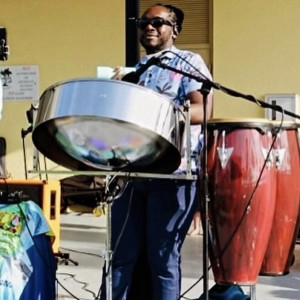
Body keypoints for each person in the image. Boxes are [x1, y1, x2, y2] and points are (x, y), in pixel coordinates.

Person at [100, 3, 213, 300]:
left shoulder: (188, 62)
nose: (149, 26)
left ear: (174, 29)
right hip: (132, 173)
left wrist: (159, 112)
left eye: (158, 22)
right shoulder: (136, 70)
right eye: (143, 22)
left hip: (172, 173)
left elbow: (203, 110)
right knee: (122, 256)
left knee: (162, 259)